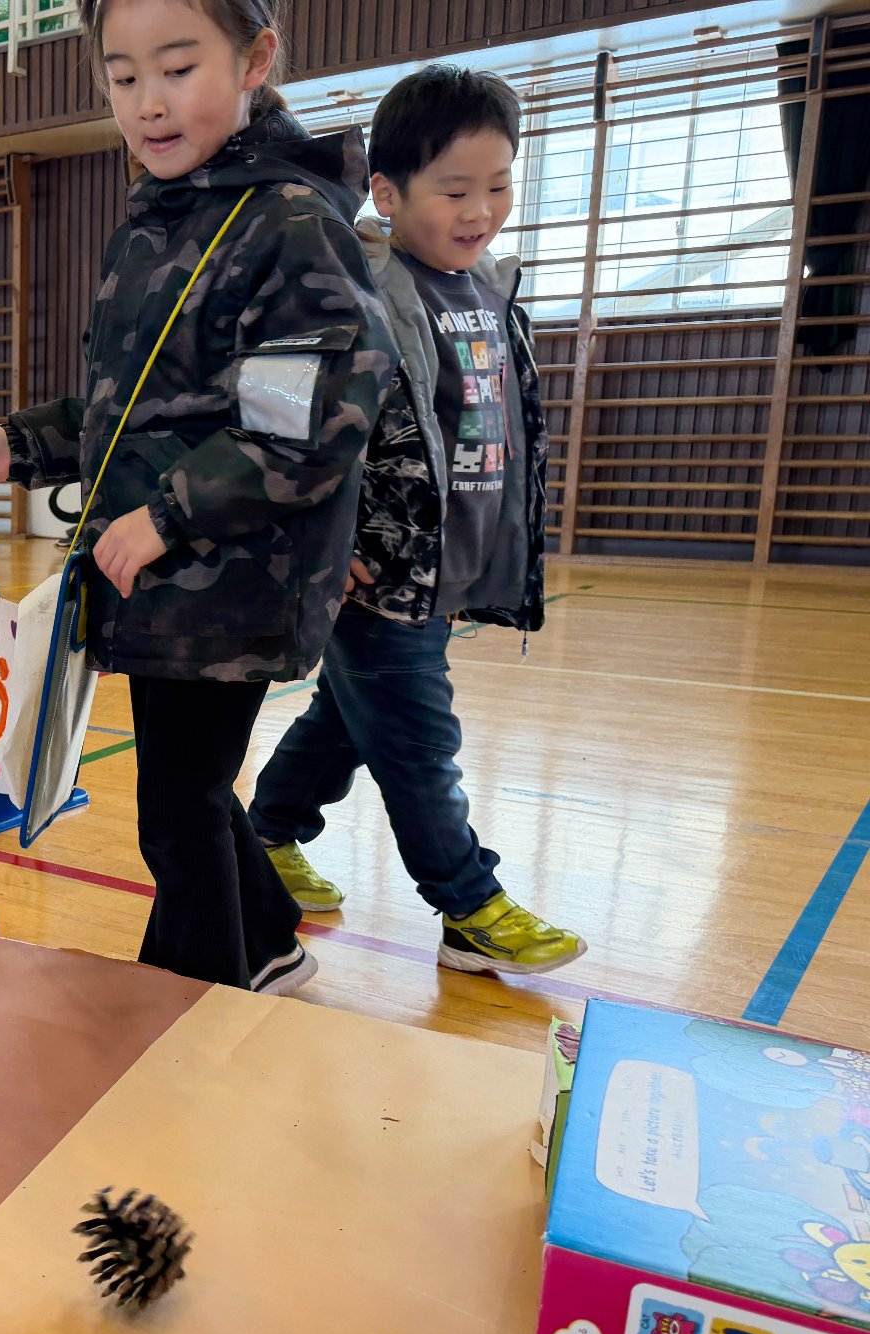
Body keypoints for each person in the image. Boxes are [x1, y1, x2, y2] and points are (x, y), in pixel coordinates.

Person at [0, 0, 392, 995]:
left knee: (176, 807)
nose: (148, 102)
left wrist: (172, 516)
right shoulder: (165, 216)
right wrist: (17, 444)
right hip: (163, 579)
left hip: (228, 577)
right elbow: (132, 412)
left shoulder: (285, 224)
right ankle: (269, 940)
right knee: (192, 785)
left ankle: (185, 1008)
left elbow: (304, 425)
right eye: (123, 75)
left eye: (178, 68)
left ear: (255, 62)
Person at [249, 65, 586, 976]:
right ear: (389, 194)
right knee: (418, 740)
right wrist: (322, 533)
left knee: (350, 720)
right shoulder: (351, 287)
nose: (481, 211)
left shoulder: (489, 291)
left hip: (443, 570)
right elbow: (278, 413)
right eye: (455, 190)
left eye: (499, 186)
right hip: (370, 574)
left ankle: (267, 833)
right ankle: (467, 904)